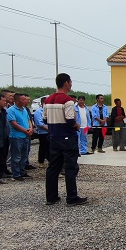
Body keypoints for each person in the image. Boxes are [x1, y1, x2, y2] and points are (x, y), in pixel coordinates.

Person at [45, 73, 88, 206]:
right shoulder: (68, 100)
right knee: (70, 167)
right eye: (70, 82)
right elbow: (70, 120)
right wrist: (76, 125)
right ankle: (72, 197)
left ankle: (51, 197)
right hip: (67, 137)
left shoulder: (48, 99)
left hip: (54, 137)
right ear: (66, 83)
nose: (71, 85)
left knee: (53, 167)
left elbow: (45, 119)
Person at [6, 93, 32, 181]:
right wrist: (25, 130)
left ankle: (22, 171)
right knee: (16, 156)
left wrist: (31, 128)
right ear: (16, 101)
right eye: (23, 100)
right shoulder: (11, 110)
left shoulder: (24, 109)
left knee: (24, 155)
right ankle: (16, 174)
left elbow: (28, 120)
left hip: (26, 136)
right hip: (16, 136)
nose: (25, 101)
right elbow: (14, 123)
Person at [33, 96, 50, 165]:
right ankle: (41, 161)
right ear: (43, 103)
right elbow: (39, 123)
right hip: (43, 132)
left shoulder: (49, 111)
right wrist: (49, 129)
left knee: (50, 147)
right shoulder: (38, 112)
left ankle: (50, 160)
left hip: (50, 132)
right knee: (43, 147)